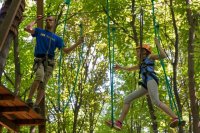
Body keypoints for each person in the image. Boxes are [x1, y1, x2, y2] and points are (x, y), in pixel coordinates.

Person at [105, 38, 185, 130]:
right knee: (127, 99)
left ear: (145, 52)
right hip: (146, 84)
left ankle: (175, 117)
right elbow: (130, 69)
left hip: (151, 80)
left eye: (139, 51)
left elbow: (163, 55)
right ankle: (119, 122)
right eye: (137, 51)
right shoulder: (141, 63)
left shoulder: (150, 57)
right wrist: (120, 67)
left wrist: (158, 43)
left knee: (156, 101)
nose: (137, 53)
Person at [24, 15, 84, 113]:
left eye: (50, 20)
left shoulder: (57, 39)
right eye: (46, 20)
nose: (48, 21)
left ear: (54, 22)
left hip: (49, 63)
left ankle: (35, 105)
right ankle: (29, 99)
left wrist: (77, 43)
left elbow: (66, 51)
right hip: (39, 59)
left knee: (43, 85)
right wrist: (36, 20)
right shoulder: (39, 31)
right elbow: (27, 28)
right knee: (39, 76)